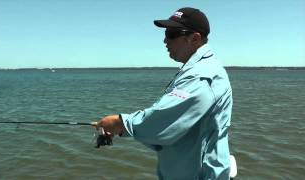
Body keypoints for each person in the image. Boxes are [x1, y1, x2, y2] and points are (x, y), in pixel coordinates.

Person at [94, 7, 233, 180]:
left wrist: (119, 123)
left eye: (172, 33)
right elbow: (171, 127)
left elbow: (162, 122)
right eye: (166, 33)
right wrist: (124, 127)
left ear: (194, 38)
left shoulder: (202, 76)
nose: (165, 40)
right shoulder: (196, 70)